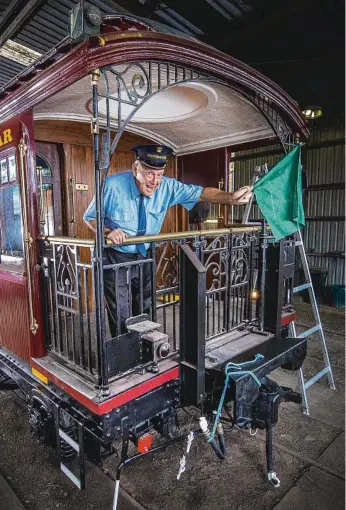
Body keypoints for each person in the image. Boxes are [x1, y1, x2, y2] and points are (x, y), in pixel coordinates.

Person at [84, 144, 252, 338]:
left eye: (159, 174)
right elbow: (89, 217)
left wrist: (230, 198)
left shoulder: (167, 186)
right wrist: (107, 231)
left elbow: (201, 193)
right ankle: (124, 355)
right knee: (121, 308)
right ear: (135, 169)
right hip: (116, 256)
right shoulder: (112, 185)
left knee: (145, 303)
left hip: (145, 252)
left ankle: (145, 348)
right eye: (149, 174)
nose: (155, 181)